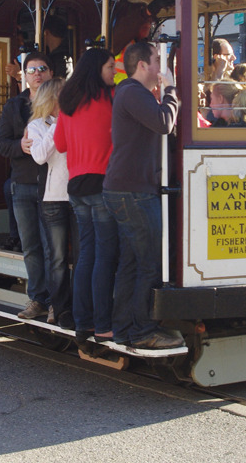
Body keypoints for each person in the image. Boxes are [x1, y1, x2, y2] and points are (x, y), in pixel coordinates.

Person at [104, 42, 182, 350]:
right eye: (157, 60)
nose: (161, 67)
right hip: (134, 191)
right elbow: (164, 123)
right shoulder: (133, 92)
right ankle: (142, 330)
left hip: (127, 189)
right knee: (148, 262)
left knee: (132, 263)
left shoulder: (132, 93)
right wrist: (173, 90)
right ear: (142, 66)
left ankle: (124, 327)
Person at [53, 48, 119, 344]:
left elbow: (61, 145)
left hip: (76, 186)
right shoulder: (111, 98)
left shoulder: (67, 101)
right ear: (96, 69)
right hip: (102, 183)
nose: (114, 70)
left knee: (86, 256)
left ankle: (83, 323)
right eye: (109, 66)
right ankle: (103, 323)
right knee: (105, 257)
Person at [0, 52, 52, 320]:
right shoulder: (13, 106)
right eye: (31, 70)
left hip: (52, 185)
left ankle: (56, 300)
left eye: (42, 69)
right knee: (31, 245)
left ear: (50, 73)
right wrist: (20, 145)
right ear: (24, 75)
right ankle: (37, 299)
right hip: (22, 184)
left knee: (52, 245)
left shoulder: (58, 103)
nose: (37, 74)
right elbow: (1, 144)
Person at [27, 79, 74, 330]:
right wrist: (59, 123)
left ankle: (75, 305)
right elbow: (39, 156)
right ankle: (59, 307)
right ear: (53, 98)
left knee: (78, 255)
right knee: (57, 257)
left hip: (77, 195)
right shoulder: (37, 125)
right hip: (52, 199)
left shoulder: (74, 118)